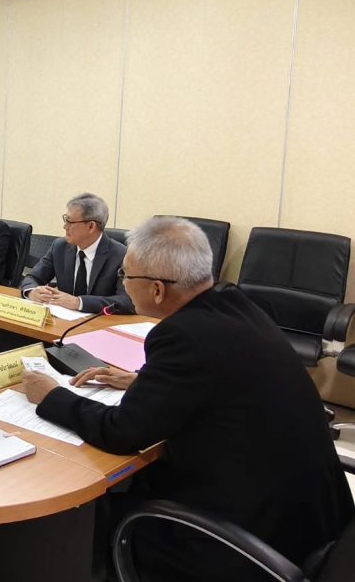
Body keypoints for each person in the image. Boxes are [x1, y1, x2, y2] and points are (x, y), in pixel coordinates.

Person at [22, 217, 354, 582]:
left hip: (251, 539)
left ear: (157, 290)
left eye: (125, 275)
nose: (123, 283)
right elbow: (220, 379)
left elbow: (121, 433)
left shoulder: (182, 336)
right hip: (316, 519)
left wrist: (51, 395)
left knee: (94, 515)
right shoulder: (235, 304)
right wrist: (143, 383)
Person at [20, 192, 132, 313]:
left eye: (70, 222)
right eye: (65, 220)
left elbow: (126, 301)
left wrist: (79, 302)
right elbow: (33, 277)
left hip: (101, 321)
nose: (65, 226)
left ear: (91, 226)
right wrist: (32, 291)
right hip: (62, 320)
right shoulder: (60, 247)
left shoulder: (121, 255)